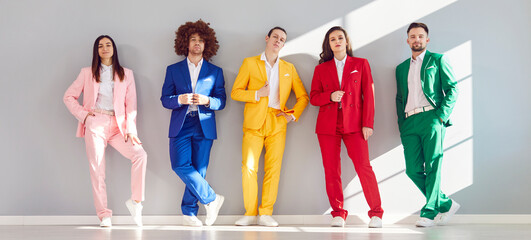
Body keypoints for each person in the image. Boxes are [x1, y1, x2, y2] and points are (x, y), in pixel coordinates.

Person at [63, 35, 147, 227]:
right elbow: (68, 97)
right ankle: (104, 214)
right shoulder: (86, 72)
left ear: (114, 49)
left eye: (108, 45)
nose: (104, 48)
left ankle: (136, 202)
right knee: (98, 169)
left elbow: (131, 104)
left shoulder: (126, 73)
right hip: (95, 123)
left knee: (140, 155)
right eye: (100, 46)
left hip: (119, 126)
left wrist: (131, 129)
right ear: (97, 51)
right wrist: (84, 117)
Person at [231, 27, 309, 227]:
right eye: (275, 37)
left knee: (273, 169)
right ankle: (249, 213)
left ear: (283, 44)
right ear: (267, 38)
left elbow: (303, 97)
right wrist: (257, 93)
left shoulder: (289, 68)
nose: (278, 41)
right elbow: (236, 92)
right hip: (254, 121)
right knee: (248, 167)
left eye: (282, 39)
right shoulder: (249, 63)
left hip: (277, 121)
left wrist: (291, 115)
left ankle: (266, 212)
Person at [309, 26, 383, 228]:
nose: (337, 41)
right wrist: (330, 97)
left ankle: (376, 213)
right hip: (327, 126)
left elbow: (369, 94)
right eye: (332, 39)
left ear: (346, 41)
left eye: (340, 38)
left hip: (355, 125)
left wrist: (368, 124)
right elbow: (313, 98)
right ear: (329, 44)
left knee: (364, 167)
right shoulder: (321, 69)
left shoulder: (361, 64)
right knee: (331, 170)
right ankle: (338, 213)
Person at [161, 19, 226, 227]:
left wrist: (207, 101)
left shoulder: (215, 72)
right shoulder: (173, 69)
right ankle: (212, 198)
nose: (197, 43)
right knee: (179, 165)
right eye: (193, 39)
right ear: (185, 43)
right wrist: (179, 99)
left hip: (204, 124)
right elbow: (165, 99)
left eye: (200, 40)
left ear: (207, 44)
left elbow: (221, 101)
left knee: (199, 170)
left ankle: (189, 213)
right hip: (181, 123)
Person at [395, 22, 460, 227]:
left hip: (432, 118)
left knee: (433, 165)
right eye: (413, 36)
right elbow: (399, 97)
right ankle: (445, 203)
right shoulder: (401, 68)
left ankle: (429, 211)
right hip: (409, 122)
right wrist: (402, 123)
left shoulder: (438, 60)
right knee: (412, 170)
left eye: (420, 36)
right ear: (407, 40)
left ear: (427, 39)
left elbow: (453, 88)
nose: (417, 40)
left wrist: (441, 115)